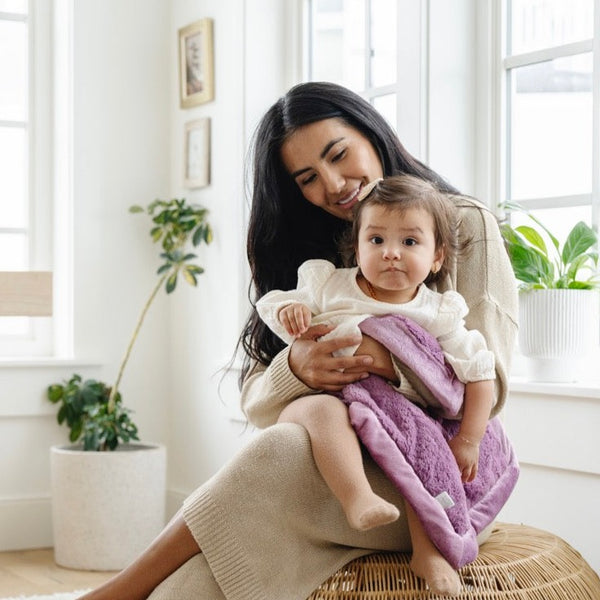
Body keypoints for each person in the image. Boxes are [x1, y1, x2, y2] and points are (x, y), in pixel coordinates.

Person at [80, 82, 517, 600]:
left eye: (339, 154)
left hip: (436, 480)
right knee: (189, 585)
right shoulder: (321, 256)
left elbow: (488, 380)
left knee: (281, 452)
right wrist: (299, 368)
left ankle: (119, 589)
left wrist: (387, 360)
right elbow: (257, 400)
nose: (333, 185)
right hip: (339, 465)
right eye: (308, 178)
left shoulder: (462, 224)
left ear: (371, 133)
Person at [255, 174, 496, 593]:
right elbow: (272, 303)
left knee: (423, 452)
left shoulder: (437, 313)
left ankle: (430, 552)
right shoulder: (330, 286)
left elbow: (479, 371)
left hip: (396, 415)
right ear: (357, 247)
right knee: (317, 411)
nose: (391, 254)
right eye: (377, 240)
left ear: (437, 257)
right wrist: (290, 310)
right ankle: (358, 498)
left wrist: (471, 438)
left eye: (409, 242)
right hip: (330, 403)